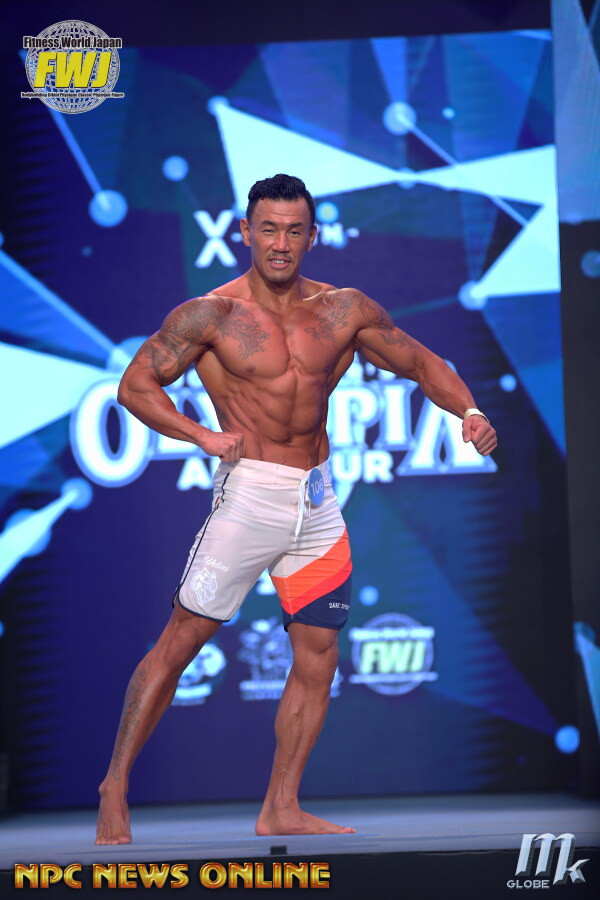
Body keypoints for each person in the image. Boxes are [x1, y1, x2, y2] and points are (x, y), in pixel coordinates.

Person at [95, 173, 497, 844]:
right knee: (182, 641)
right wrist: (201, 435)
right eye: (268, 230)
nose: (280, 243)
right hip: (249, 495)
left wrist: (471, 411)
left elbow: (423, 364)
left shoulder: (343, 311)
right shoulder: (210, 316)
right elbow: (135, 387)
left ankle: (281, 805)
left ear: (313, 235)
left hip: (317, 501)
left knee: (319, 653)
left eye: (293, 230)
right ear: (245, 233)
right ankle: (115, 783)